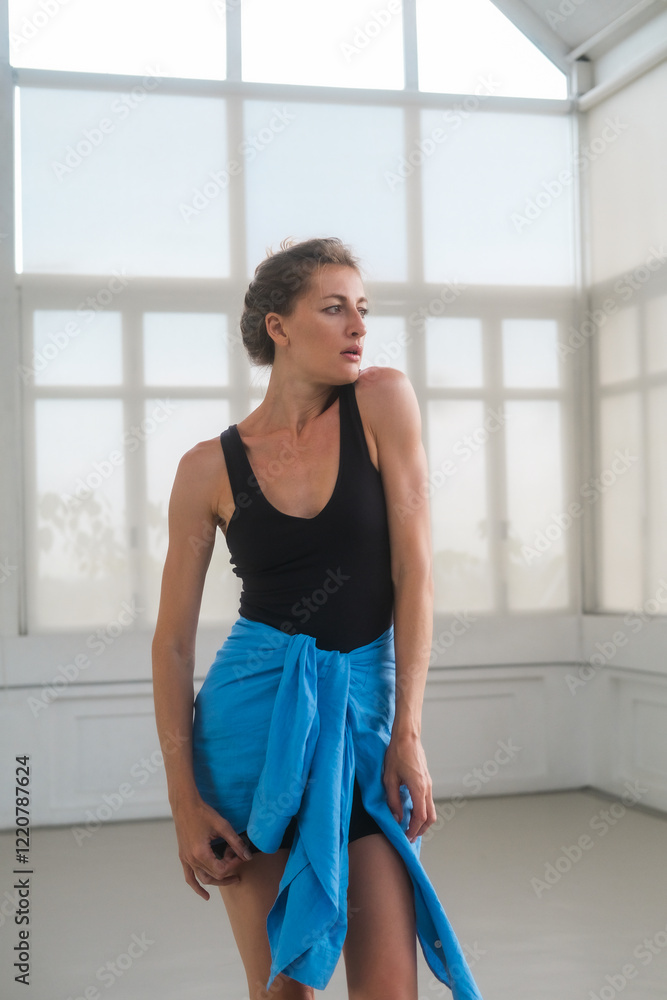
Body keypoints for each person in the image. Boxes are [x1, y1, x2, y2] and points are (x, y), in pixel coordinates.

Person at [151, 237, 484, 1000]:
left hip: (364, 729)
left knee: (389, 990)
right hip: (247, 735)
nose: (357, 326)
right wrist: (183, 803)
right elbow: (171, 645)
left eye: (362, 309)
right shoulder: (206, 468)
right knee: (281, 992)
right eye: (333, 309)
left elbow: (415, 574)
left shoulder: (382, 402)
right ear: (278, 326)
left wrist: (407, 733)